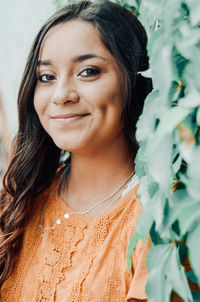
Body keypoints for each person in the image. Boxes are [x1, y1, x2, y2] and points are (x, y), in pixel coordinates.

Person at [0, 1, 153, 301]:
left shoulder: (157, 220)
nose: (61, 95)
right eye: (46, 77)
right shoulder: (16, 202)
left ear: (133, 81)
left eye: (88, 71)